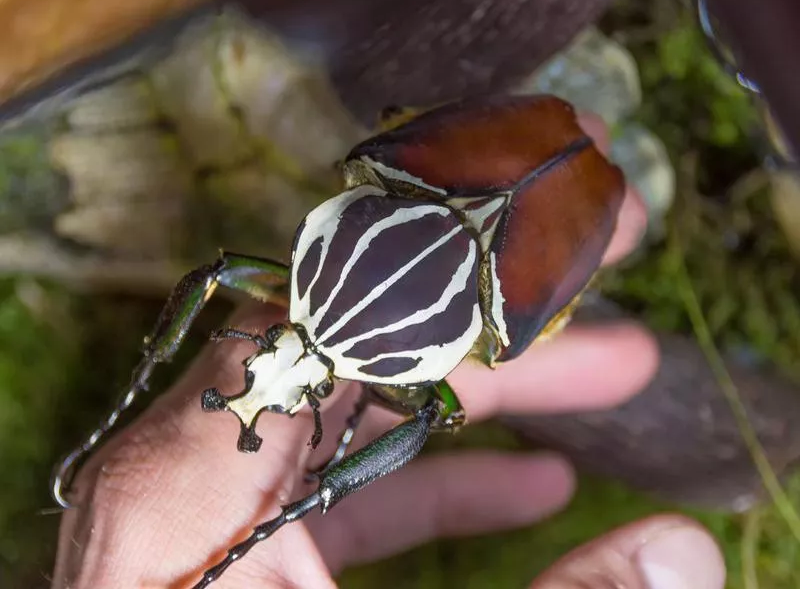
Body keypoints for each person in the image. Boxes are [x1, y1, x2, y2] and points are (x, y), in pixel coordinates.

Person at [52, 116, 726, 589]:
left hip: (516, 181)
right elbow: (436, 408)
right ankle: (296, 491)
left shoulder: (381, 190)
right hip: (515, 188)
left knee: (434, 400)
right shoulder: (389, 184)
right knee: (438, 406)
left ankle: (285, 485)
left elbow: (214, 274)